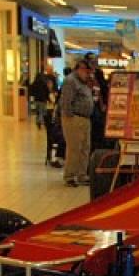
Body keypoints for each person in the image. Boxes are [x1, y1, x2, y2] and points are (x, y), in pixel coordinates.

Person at [59, 59, 95, 187]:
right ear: (79, 69)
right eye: (87, 71)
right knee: (74, 148)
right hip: (74, 118)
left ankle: (81, 174)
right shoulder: (71, 81)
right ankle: (69, 176)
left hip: (85, 118)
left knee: (85, 148)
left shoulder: (84, 82)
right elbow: (66, 102)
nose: (88, 74)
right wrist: (70, 117)